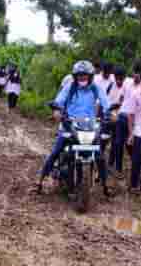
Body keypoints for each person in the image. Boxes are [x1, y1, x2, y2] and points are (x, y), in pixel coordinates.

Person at [37, 61, 111, 196]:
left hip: (90, 126)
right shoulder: (69, 87)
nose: (82, 78)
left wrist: (110, 113)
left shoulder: (96, 88)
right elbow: (59, 100)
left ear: (90, 76)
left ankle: (106, 185)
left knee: (100, 155)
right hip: (69, 124)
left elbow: (106, 102)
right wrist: (57, 110)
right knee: (56, 151)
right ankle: (40, 180)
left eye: (85, 75)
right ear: (75, 76)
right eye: (79, 75)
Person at [107, 67, 130, 178]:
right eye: (117, 79)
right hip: (113, 118)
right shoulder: (111, 86)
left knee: (120, 143)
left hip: (123, 119)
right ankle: (112, 165)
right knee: (115, 143)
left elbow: (125, 103)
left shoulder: (128, 86)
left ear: (124, 78)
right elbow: (108, 102)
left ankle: (118, 168)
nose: (119, 81)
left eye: (121, 79)